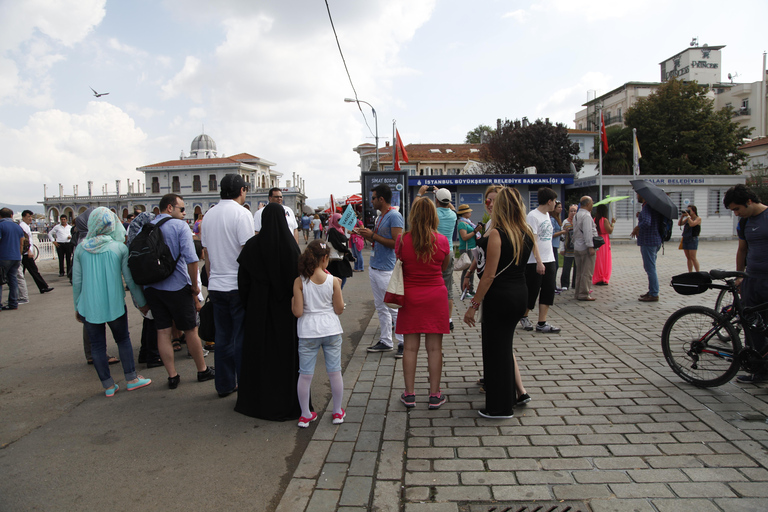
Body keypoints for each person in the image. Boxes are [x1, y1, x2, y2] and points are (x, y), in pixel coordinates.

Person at [463, 188, 540, 419]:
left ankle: (499, 407)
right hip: (519, 293)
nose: (490, 204)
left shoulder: (497, 233)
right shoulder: (524, 231)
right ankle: (508, 399)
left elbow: (489, 275)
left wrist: (473, 305)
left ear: (502, 206)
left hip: (501, 297)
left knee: (496, 351)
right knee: (505, 349)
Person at [72, 208, 152, 397]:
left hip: (89, 306)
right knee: (123, 339)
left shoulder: (81, 249)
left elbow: (77, 281)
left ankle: (108, 386)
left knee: (98, 346)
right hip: (115, 304)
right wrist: (141, 302)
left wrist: (77, 306)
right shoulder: (119, 248)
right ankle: (131, 378)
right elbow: (130, 281)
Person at [236, 203, 304, 420]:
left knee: (259, 353)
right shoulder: (291, 248)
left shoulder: (253, 246)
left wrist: (250, 304)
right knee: (284, 355)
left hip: (258, 308)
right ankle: (288, 398)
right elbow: (299, 281)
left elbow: (243, 282)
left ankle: (256, 400)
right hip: (285, 310)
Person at [142, 194, 214, 389]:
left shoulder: (147, 227)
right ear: (169, 208)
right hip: (176, 286)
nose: (184, 213)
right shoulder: (179, 227)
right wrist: (194, 286)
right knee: (190, 329)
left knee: (163, 331)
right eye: (182, 209)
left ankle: (172, 375)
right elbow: (191, 259)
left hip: (153, 287)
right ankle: (202, 370)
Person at [201, 174, 254, 398]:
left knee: (222, 337)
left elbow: (206, 253)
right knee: (241, 337)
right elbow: (248, 252)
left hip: (216, 284)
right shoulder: (242, 214)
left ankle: (224, 384)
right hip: (236, 284)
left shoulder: (209, 215)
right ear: (241, 190)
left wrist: (211, 278)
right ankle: (244, 382)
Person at [396, 197, 451, 409]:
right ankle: (435, 395)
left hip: (410, 295)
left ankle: (409, 394)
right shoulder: (443, 240)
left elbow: (401, 263)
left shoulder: (403, 240)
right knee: (435, 349)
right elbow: (444, 266)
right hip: (436, 295)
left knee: (410, 348)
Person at [292, 240, 346, 427]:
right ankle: (338, 411)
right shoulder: (333, 281)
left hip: (308, 331)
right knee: (334, 372)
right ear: (324, 259)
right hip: (331, 329)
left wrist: (293, 301)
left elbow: (298, 312)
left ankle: (305, 414)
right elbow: (339, 309)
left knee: (305, 375)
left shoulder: (299, 281)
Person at [724, 185, 768, 383]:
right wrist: (740, 275)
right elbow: (742, 249)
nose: (736, 213)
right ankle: (760, 371)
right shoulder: (744, 223)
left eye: (737, 209)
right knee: (753, 326)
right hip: (752, 279)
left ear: (749, 201)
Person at [355, 184, 405, 355]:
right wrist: (367, 235)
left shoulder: (394, 216)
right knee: (381, 306)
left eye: (374, 198)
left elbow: (397, 244)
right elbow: (379, 240)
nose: (372, 201)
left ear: (381, 199)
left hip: (387, 268)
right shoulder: (380, 217)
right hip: (376, 266)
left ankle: (403, 342)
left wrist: (373, 236)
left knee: (393, 307)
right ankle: (385, 340)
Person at [520, 187, 560, 333]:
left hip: (550, 259)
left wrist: (547, 260)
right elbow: (533, 241)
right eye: (554, 201)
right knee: (532, 291)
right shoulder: (533, 216)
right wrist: (538, 261)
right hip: (534, 261)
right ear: (549, 201)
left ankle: (542, 322)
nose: (556, 204)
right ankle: (524, 316)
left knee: (548, 290)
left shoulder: (547, 215)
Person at [127, 212, 162, 368]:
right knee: (152, 321)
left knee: (148, 320)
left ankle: (144, 352)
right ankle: (152, 357)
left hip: (140, 288)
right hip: (146, 287)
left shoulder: (133, 243)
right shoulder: (144, 244)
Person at [630, 193, 662, 302]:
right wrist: (641, 216)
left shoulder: (647, 206)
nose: (637, 196)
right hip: (655, 240)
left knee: (650, 268)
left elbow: (647, 223)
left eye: (638, 194)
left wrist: (637, 228)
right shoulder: (650, 207)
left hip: (649, 241)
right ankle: (652, 290)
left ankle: (654, 293)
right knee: (651, 267)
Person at [20, 211, 53, 295]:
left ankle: (42, 287)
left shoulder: (26, 226)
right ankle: (43, 286)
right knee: (33, 271)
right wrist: (28, 251)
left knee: (23, 272)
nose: (30, 218)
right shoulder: (23, 226)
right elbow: (24, 241)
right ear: (23, 217)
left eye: (31, 217)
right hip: (26, 253)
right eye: (28, 217)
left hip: (25, 253)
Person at [573, 196, 598, 301]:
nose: (592, 205)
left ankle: (578, 292)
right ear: (588, 204)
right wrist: (590, 246)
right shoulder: (587, 216)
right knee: (587, 272)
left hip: (577, 246)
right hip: (585, 247)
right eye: (592, 203)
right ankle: (584, 293)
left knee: (579, 272)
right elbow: (588, 232)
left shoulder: (577, 215)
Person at [0, 208, 25, 310]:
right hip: (16, 257)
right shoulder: (17, 227)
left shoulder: (1, 226)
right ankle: (13, 303)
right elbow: (22, 242)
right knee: (13, 280)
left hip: (3, 257)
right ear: (11, 215)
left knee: (0, 281)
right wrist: (19, 255)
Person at [326, 213, 355, 289]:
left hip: (341, 257)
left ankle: (336, 298)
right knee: (339, 280)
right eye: (338, 219)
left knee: (340, 280)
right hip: (337, 259)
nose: (340, 221)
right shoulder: (332, 230)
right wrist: (347, 252)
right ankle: (335, 298)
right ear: (334, 220)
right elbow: (337, 244)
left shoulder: (339, 229)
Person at [457, 204, 479, 297]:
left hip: (472, 247)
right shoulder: (462, 223)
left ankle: (471, 289)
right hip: (466, 248)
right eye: (468, 211)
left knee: (471, 270)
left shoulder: (468, 222)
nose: (470, 213)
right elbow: (464, 237)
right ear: (464, 213)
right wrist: (475, 231)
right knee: (467, 270)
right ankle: (465, 291)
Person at [592, 204, 615, 286]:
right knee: (605, 259)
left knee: (598, 260)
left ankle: (598, 276)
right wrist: (612, 224)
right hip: (604, 241)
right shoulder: (605, 220)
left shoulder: (595, 219)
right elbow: (609, 231)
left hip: (598, 240)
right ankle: (603, 277)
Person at [559, 204, 578, 291]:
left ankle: (575, 283)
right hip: (568, 249)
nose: (573, 213)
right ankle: (565, 284)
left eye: (575, 211)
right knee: (566, 267)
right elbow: (562, 236)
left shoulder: (579, 221)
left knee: (577, 268)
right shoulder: (565, 222)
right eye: (571, 211)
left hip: (577, 249)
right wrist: (562, 248)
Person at [679, 204, 701, 272]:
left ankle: (697, 272)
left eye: (689, 210)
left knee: (693, 257)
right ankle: (690, 272)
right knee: (688, 258)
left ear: (694, 211)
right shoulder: (688, 219)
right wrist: (682, 216)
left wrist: (688, 217)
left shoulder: (698, 218)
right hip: (686, 238)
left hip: (693, 239)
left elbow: (692, 224)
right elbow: (680, 224)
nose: (688, 212)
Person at [550, 201, 565, 291]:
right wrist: (562, 232)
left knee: (556, 266)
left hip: (555, 245)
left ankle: (554, 285)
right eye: (558, 207)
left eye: (561, 207)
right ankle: (552, 286)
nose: (561, 209)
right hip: (552, 245)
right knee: (554, 266)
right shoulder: (552, 219)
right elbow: (551, 234)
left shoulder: (557, 219)